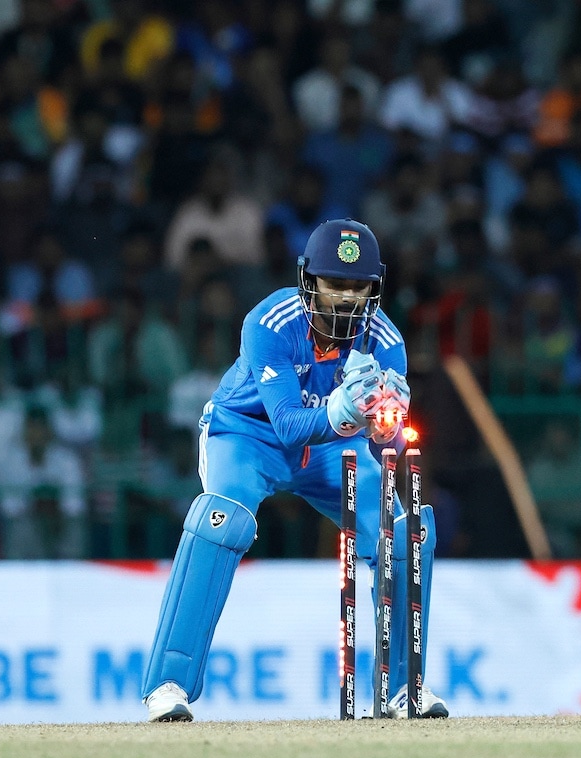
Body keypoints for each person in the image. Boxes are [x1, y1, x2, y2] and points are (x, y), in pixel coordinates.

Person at [143, 219, 448, 722]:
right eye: (335, 284)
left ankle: (400, 688)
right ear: (310, 281)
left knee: (404, 531)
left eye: (359, 286)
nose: (347, 299)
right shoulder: (270, 322)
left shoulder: (385, 338)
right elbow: (286, 424)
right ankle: (167, 684)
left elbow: (391, 443)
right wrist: (343, 410)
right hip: (247, 433)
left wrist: (386, 423)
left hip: (332, 445)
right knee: (222, 522)